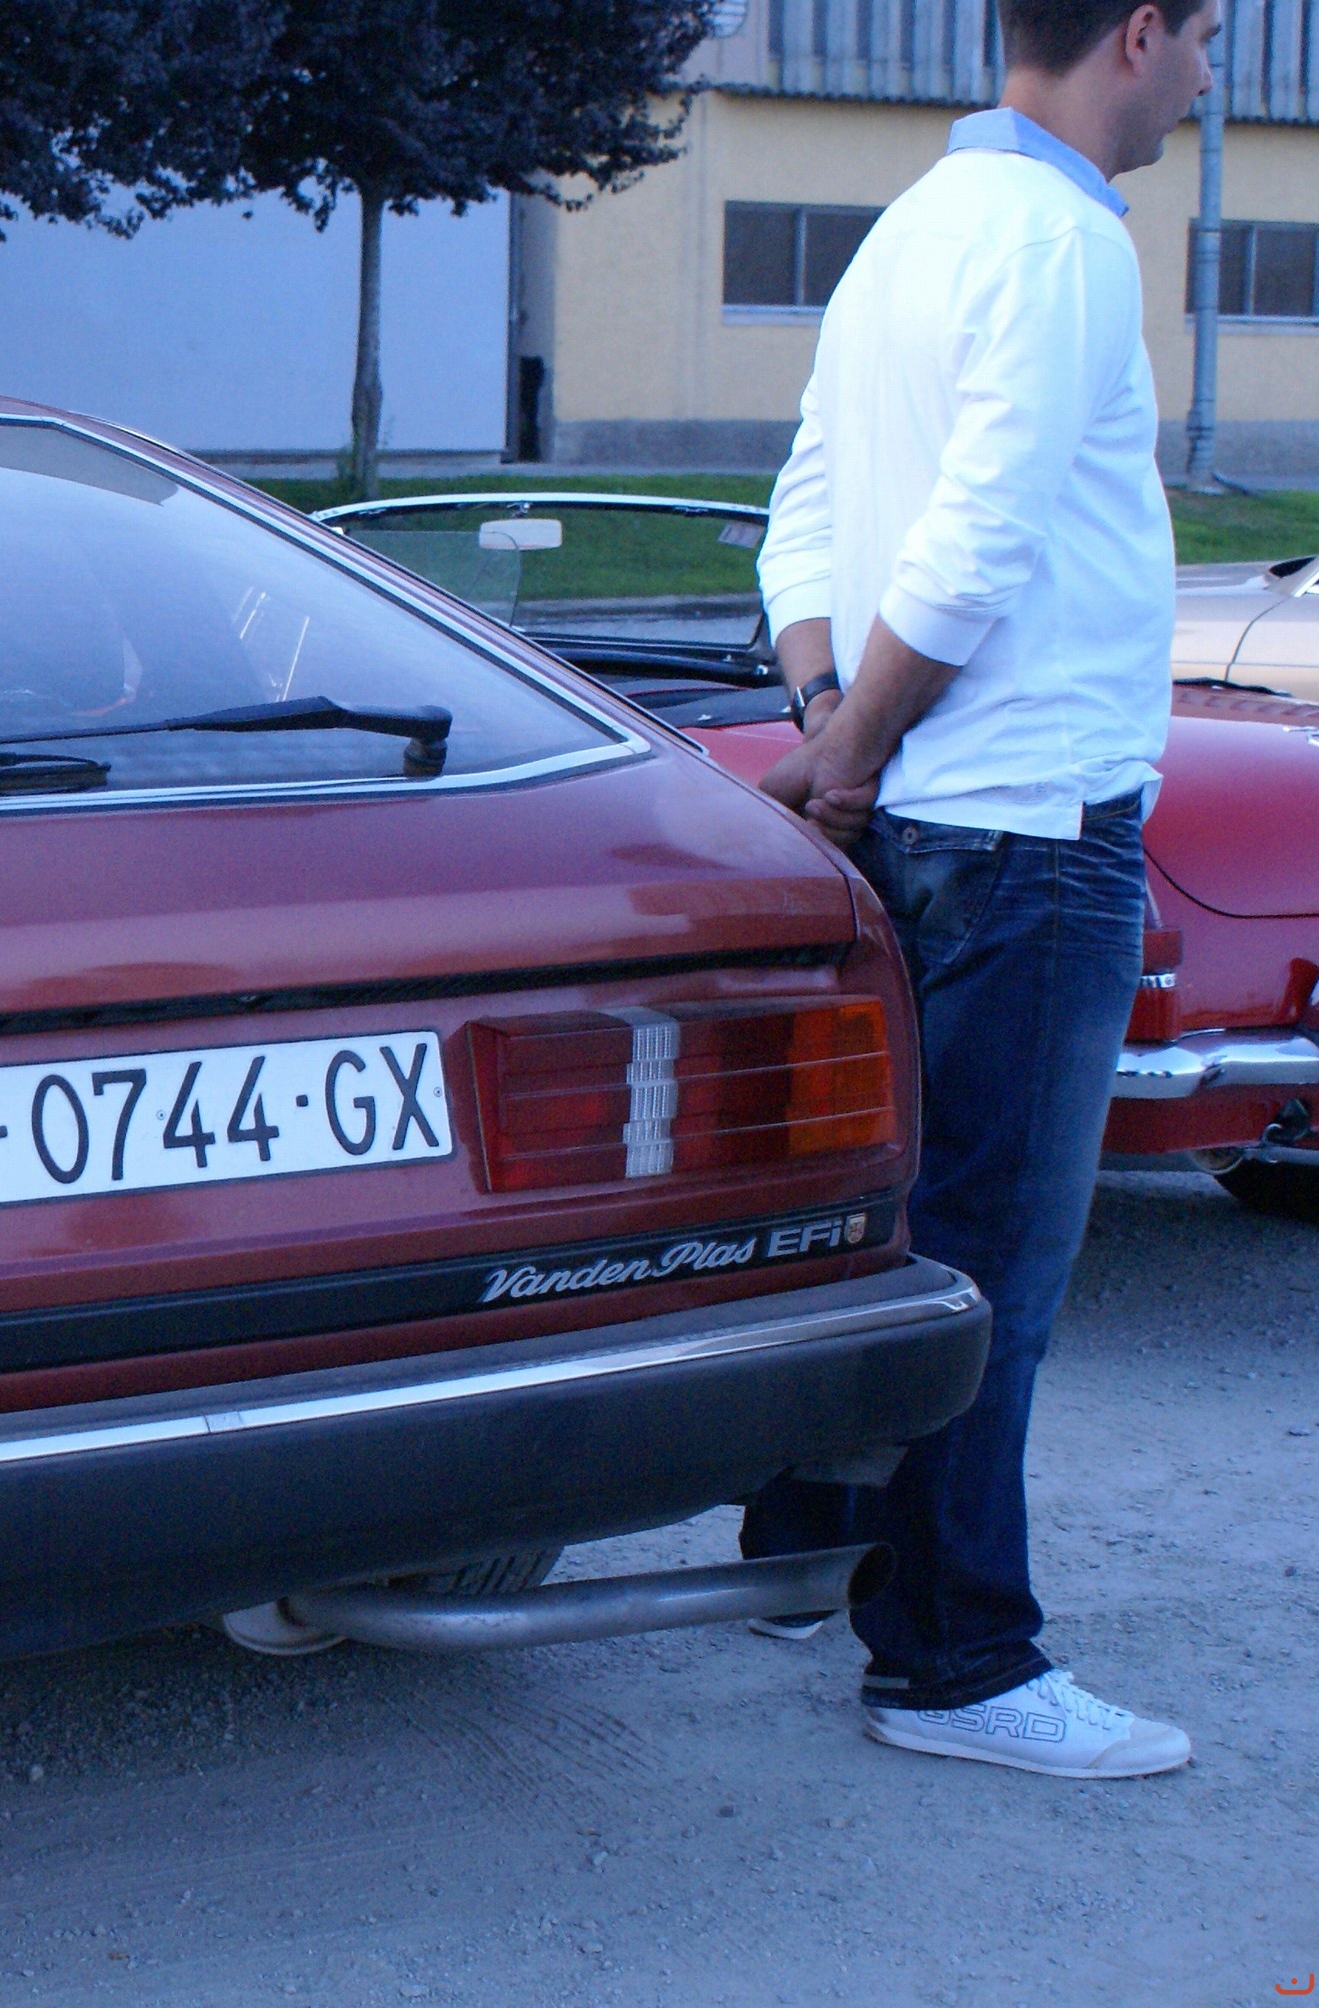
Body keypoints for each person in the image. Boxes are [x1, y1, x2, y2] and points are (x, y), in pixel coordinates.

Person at [744, 0, 1216, 1780]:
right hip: (1026, 823)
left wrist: (826, 725)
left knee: (878, 1218)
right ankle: (955, 1662)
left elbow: (802, 510)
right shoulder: (1062, 240)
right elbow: (982, 540)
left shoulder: (910, 228)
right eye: (1207, 36)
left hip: (912, 818)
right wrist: (854, 743)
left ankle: (803, 1549)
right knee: (988, 1263)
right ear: (1138, 33)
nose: (1209, 75)